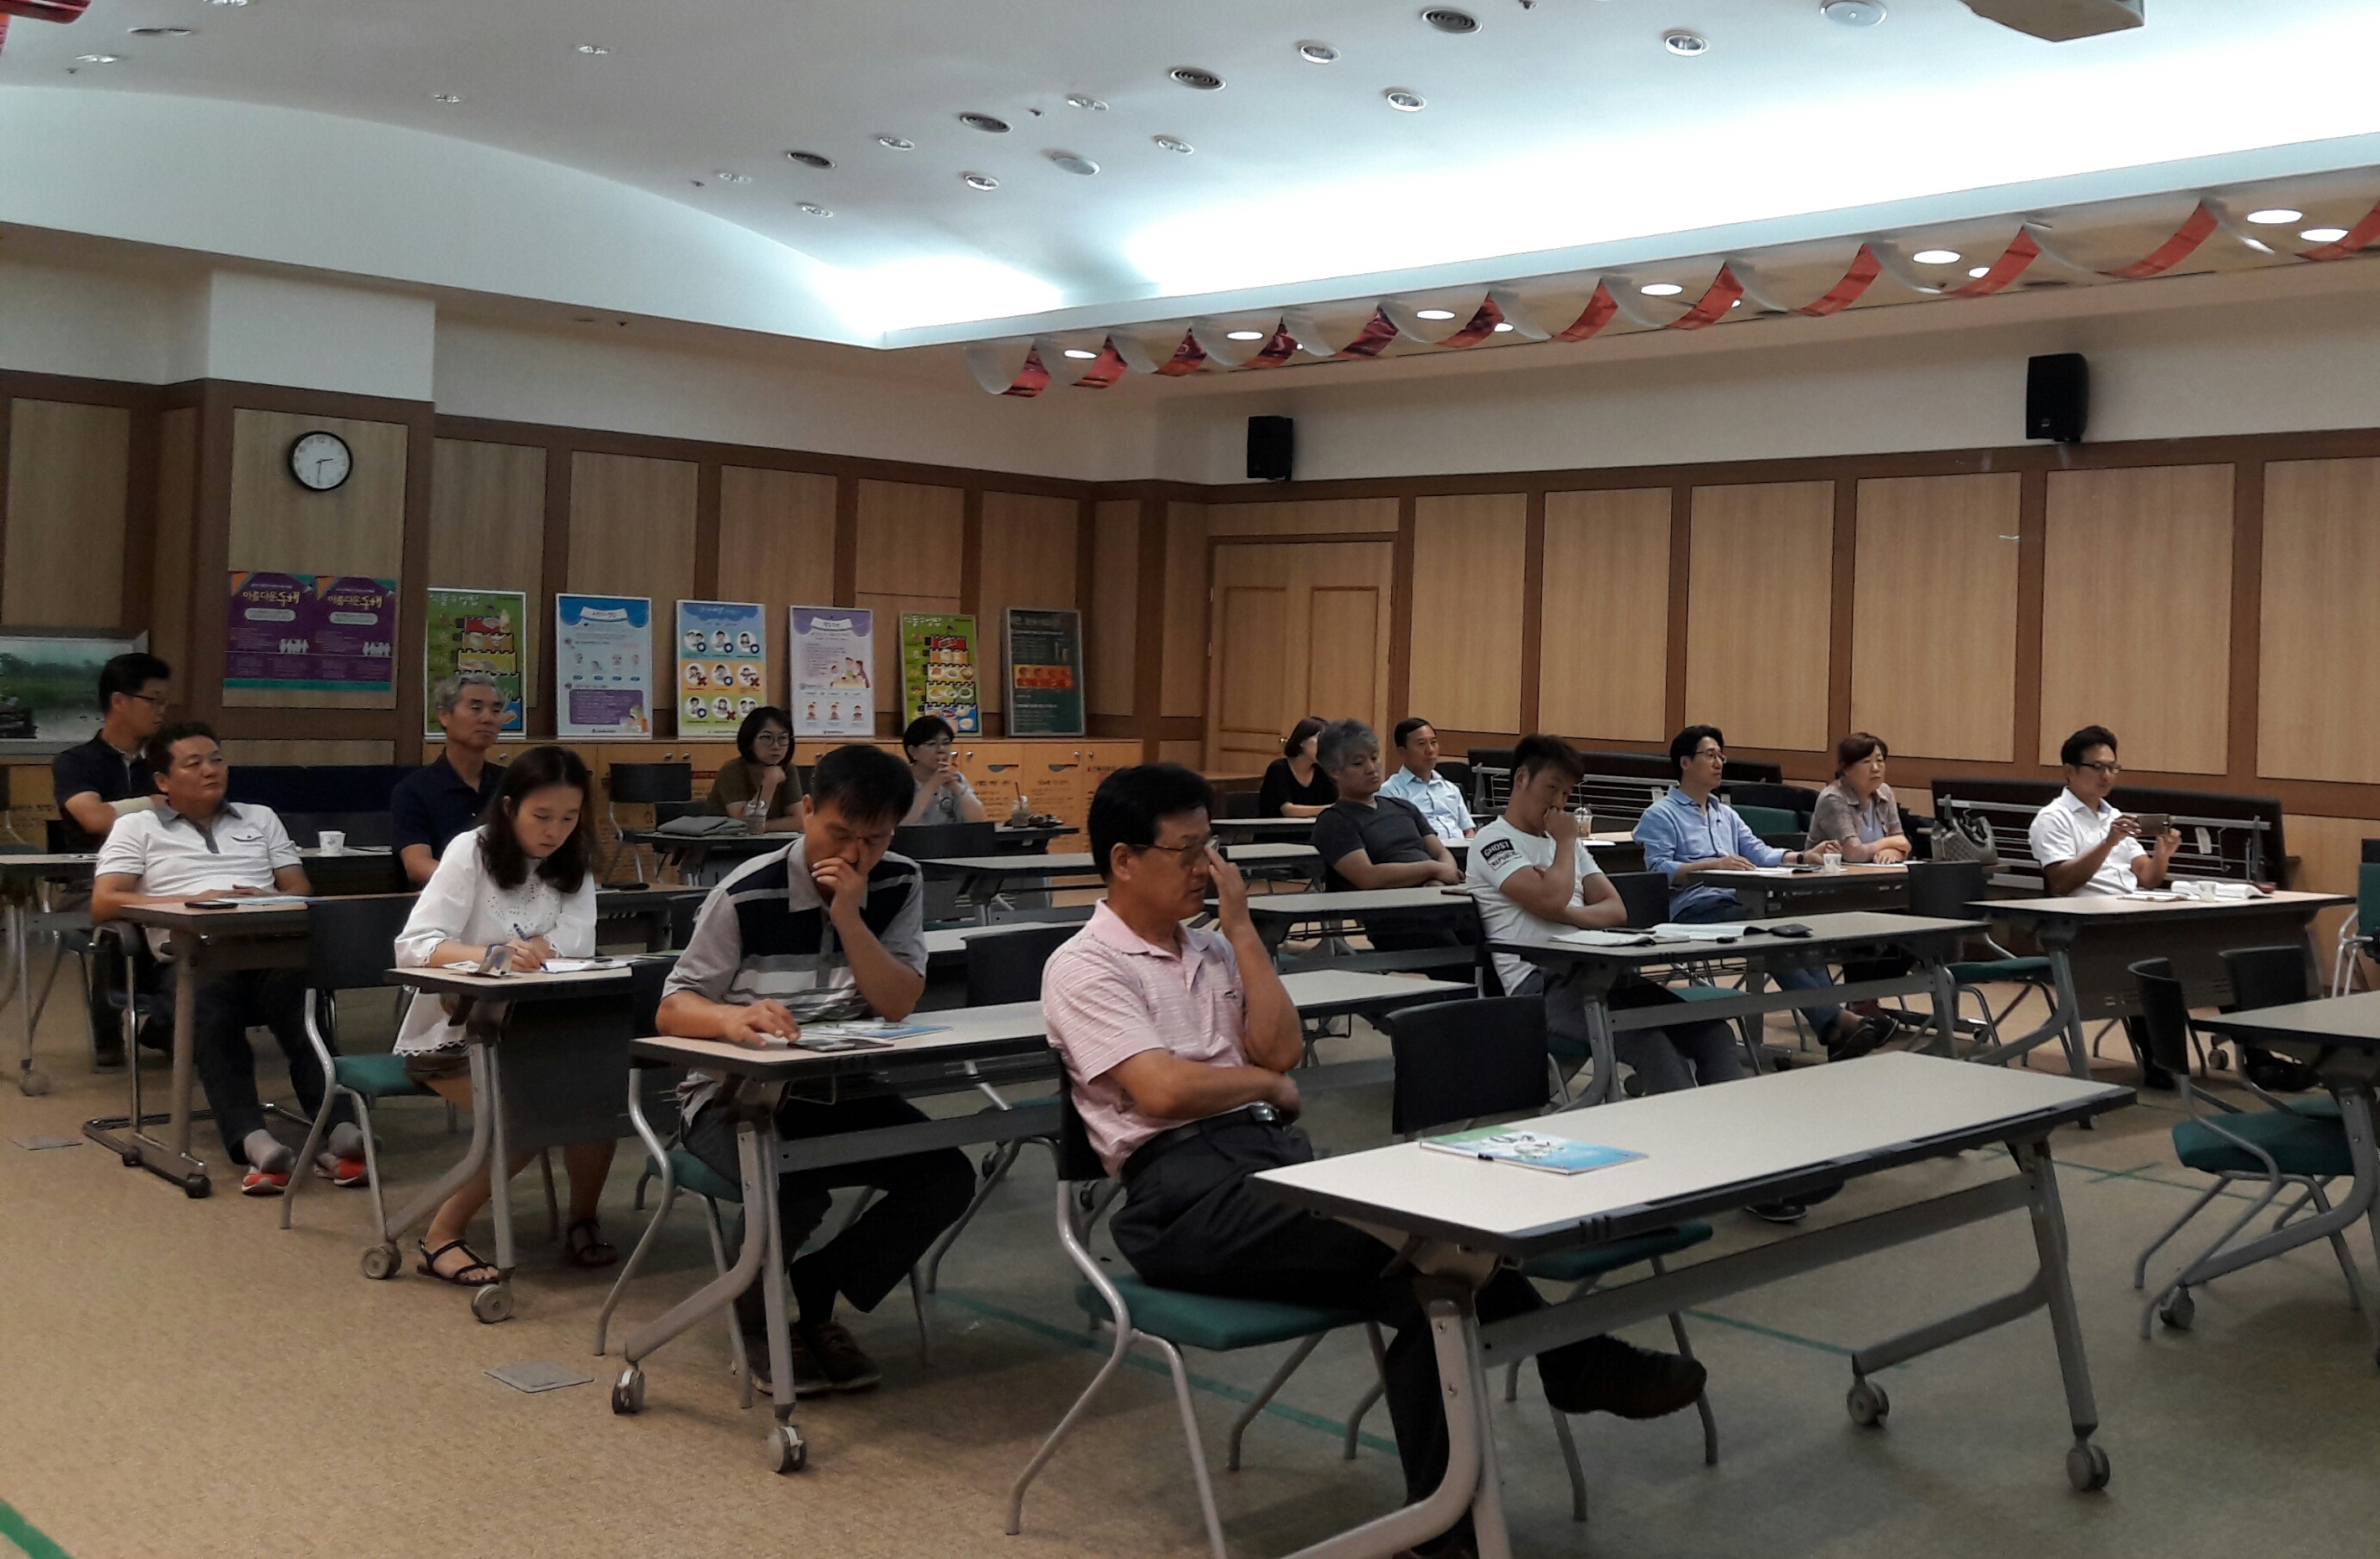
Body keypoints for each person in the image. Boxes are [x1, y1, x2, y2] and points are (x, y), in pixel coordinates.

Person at [1041, 763, 1706, 1557]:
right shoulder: (1084, 965)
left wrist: (1243, 933)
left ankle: (1443, 1531)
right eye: (1187, 852)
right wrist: (1262, 1087)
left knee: (1439, 1295)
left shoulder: (1213, 949)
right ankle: (1572, 1360)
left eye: (1211, 848)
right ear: (1123, 860)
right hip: (1181, 1199)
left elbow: (1281, 1049)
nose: (1207, 868)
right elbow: (1161, 1090)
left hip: (1267, 1165)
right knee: (1434, 1238)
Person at [658, 743, 973, 1394]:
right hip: (731, 1097)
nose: (855, 854)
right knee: (791, 1184)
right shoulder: (745, 893)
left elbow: (897, 1002)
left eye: (875, 839)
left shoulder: (899, 881)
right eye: (839, 833)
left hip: (839, 1088)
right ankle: (756, 1325)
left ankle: (819, 1284)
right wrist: (730, 1020)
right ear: (806, 811)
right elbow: (671, 1008)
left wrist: (849, 916)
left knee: (945, 1175)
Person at [90, 722, 364, 1196]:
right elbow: (104, 902)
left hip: (267, 947)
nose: (210, 770)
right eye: (193, 763)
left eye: (216, 759)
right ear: (163, 780)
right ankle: (252, 1139)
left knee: (302, 1003)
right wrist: (192, 902)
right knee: (211, 1006)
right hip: (191, 956)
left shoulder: (260, 817)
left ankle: (339, 1125)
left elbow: (298, 887)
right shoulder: (137, 827)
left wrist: (266, 898)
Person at [393, 746, 616, 1284]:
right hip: (454, 1037)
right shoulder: (470, 851)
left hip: (539, 1032)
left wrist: (540, 948)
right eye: (542, 816)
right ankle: (439, 1237)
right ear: (510, 806)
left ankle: (583, 1220)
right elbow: (414, 947)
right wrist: (491, 956)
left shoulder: (573, 860)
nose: (555, 831)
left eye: (569, 818)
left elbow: (577, 940)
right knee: (530, 1118)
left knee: (597, 1099)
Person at [1470, 735, 1742, 1092]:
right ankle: (1682, 1123)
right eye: (1552, 788)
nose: (1559, 803)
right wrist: (1565, 846)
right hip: (1541, 986)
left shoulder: (1567, 844)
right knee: (1653, 1045)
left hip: (1599, 971)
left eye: (1566, 794)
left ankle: (1727, 1118)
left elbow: (1615, 909)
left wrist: (1562, 911)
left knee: (1713, 1033)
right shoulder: (1494, 841)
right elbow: (1552, 897)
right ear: (1522, 778)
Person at [1634, 724, 1889, 1062]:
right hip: (1693, 911)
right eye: (1710, 755)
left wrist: (1803, 857)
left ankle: (1833, 1029)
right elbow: (1658, 871)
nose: (1719, 763)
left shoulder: (1725, 813)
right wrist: (1713, 865)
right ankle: (1837, 1021)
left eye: (1721, 756)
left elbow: (1759, 852)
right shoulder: (1660, 814)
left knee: (1800, 935)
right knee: (1767, 937)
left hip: (1738, 905)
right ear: (1685, 762)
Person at [2029, 724, 2182, 1090]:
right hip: (2083, 926)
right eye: (2097, 767)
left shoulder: (2115, 816)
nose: (2107, 775)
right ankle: (2160, 1060)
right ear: (2070, 771)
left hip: (2129, 913)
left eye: (2113, 767)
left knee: (2202, 949)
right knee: (2149, 959)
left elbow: (2147, 877)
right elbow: (2061, 882)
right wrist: (2109, 842)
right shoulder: (2053, 819)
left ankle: (2257, 1058)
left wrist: (2162, 854)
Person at [392, 671, 507, 887]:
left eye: (496, 711)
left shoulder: (511, 783)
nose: (488, 718)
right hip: (446, 896)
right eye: (476, 708)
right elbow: (417, 865)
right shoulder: (414, 790)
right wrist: (479, 884)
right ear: (444, 716)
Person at [53, 650, 171, 850]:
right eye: (153, 700)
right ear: (118, 702)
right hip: (95, 865)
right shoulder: (75, 762)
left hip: (160, 863)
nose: (162, 710)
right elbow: (95, 819)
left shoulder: (168, 759)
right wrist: (152, 804)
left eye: (164, 702)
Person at [1807, 733, 1912, 864]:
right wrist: (1888, 843)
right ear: (1846, 769)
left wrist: (1892, 852)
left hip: (1874, 873)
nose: (1875, 768)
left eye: (1879, 761)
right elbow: (1853, 853)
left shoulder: (1884, 792)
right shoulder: (1833, 799)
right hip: (1830, 873)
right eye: (1866, 762)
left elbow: (1903, 844)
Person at [705, 705, 803, 833]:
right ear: (750, 741)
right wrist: (770, 782)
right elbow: (744, 821)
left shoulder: (788, 768)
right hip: (723, 842)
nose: (776, 746)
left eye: (783, 738)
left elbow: (800, 820)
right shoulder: (732, 770)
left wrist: (762, 827)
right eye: (767, 737)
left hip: (770, 842)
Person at [1379, 717, 1475, 842]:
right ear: (1402, 751)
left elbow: (1468, 830)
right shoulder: (1390, 792)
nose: (1430, 750)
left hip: (1461, 850)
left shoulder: (1451, 789)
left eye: (1433, 742)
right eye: (1421, 744)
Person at [899, 714, 988, 826]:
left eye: (946, 743)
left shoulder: (956, 779)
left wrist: (956, 787)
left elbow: (979, 822)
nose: (941, 750)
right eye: (931, 744)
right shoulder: (900, 780)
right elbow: (901, 824)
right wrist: (932, 785)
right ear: (913, 751)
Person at [1256, 716, 1336, 818]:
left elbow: (1334, 802)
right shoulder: (1278, 769)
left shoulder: (1322, 772)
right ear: (1302, 742)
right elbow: (1287, 810)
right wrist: (1330, 809)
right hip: (1277, 827)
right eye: (1319, 740)